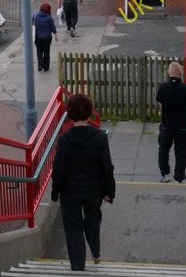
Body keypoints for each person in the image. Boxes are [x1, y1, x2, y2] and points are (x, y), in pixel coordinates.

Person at [51, 94, 115, 271]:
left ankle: (78, 267)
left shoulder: (64, 139)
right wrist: (109, 191)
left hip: (70, 192)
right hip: (94, 190)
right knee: (93, 221)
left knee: (73, 229)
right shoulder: (100, 137)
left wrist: (55, 193)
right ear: (89, 114)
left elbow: (59, 169)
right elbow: (107, 167)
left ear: (70, 114)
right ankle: (95, 252)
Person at [156, 61, 186, 183]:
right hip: (182, 126)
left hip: (167, 125)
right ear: (181, 73)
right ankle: (179, 177)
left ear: (169, 73)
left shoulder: (163, 87)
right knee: (181, 152)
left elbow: (161, 105)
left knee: (163, 150)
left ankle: (165, 174)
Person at [32, 3, 58, 72]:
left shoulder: (35, 16)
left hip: (37, 38)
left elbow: (32, 25)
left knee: (39, 51)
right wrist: (55, 34)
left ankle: (40, 65)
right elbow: (53, 27)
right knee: (46, 51)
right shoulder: (49, 17)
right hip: (47, 38)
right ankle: (46, 67)